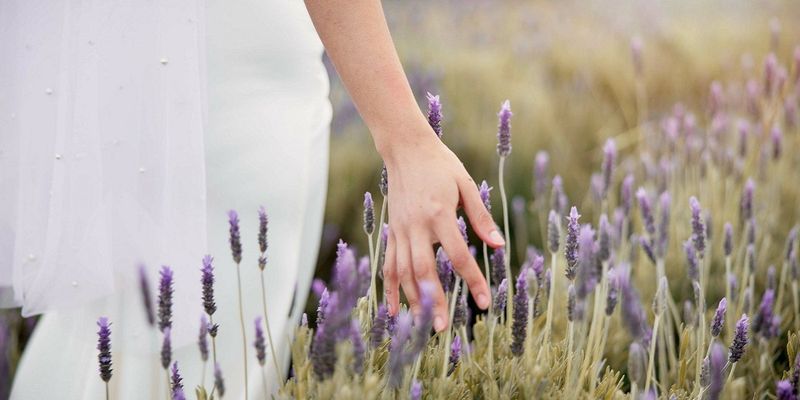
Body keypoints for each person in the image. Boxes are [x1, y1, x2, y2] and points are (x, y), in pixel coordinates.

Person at [1, 0, 503, 398]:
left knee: (112, 330)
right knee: (186, 348)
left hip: (148, 70)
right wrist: (405, 135)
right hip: (231, 87)